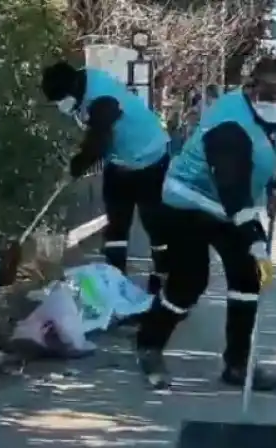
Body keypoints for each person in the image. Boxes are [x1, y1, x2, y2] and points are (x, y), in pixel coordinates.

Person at [134, 57, 276, 390]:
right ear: (251, 87)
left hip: (228, 206)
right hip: (188, 202)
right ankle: (149, 344)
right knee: (189, 281)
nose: (274, 100)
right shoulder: (229, 123)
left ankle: (237, 364)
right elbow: (233, 190)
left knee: (248, 277)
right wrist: (255, 239)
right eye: (267, 92)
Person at [40, 61, 170, 294]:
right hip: (119, 161)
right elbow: (92, 136)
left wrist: (75, 168)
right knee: (116, 226)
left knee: (156, 225)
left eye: (60, 99)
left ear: (69, 89)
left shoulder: (102, 99)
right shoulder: (82, 83)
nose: (60, 105)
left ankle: (162, 280)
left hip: (150, 158)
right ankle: (115, 283)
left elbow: (98, 142)